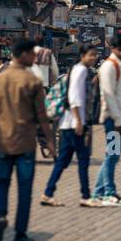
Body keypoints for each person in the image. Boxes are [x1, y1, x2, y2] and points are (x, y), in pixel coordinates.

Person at [0, 38, 53, 241]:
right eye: (32, 54)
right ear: (23, 54)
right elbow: (42, 117)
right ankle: (20, 234)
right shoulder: (32, 81)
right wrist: (49, 142)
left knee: (2, 182)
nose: (34, 58)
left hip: (4, 141)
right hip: (25, 144)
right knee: (24, 189)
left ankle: (1, 216)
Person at [41, 44, 98, 207]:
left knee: (64, 161)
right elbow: (74, 98)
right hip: (74, 124)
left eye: (95, 55)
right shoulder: (80, 71)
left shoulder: (82, 71)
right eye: (91, 55)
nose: (93, 58)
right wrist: (79, 122)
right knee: (83, 160)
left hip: (70, 123)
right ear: (82, 56)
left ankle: (48, 192)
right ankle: (85, 196)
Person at [92, 32, 121, 207]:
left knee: (113, 156)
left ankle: (98, 193)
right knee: (111, 155)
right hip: (114, 120)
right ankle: (108, 192)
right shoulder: (110, 67)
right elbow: (108, 95)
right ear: (112, 48)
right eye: (120, 49)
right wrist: (117, 121)